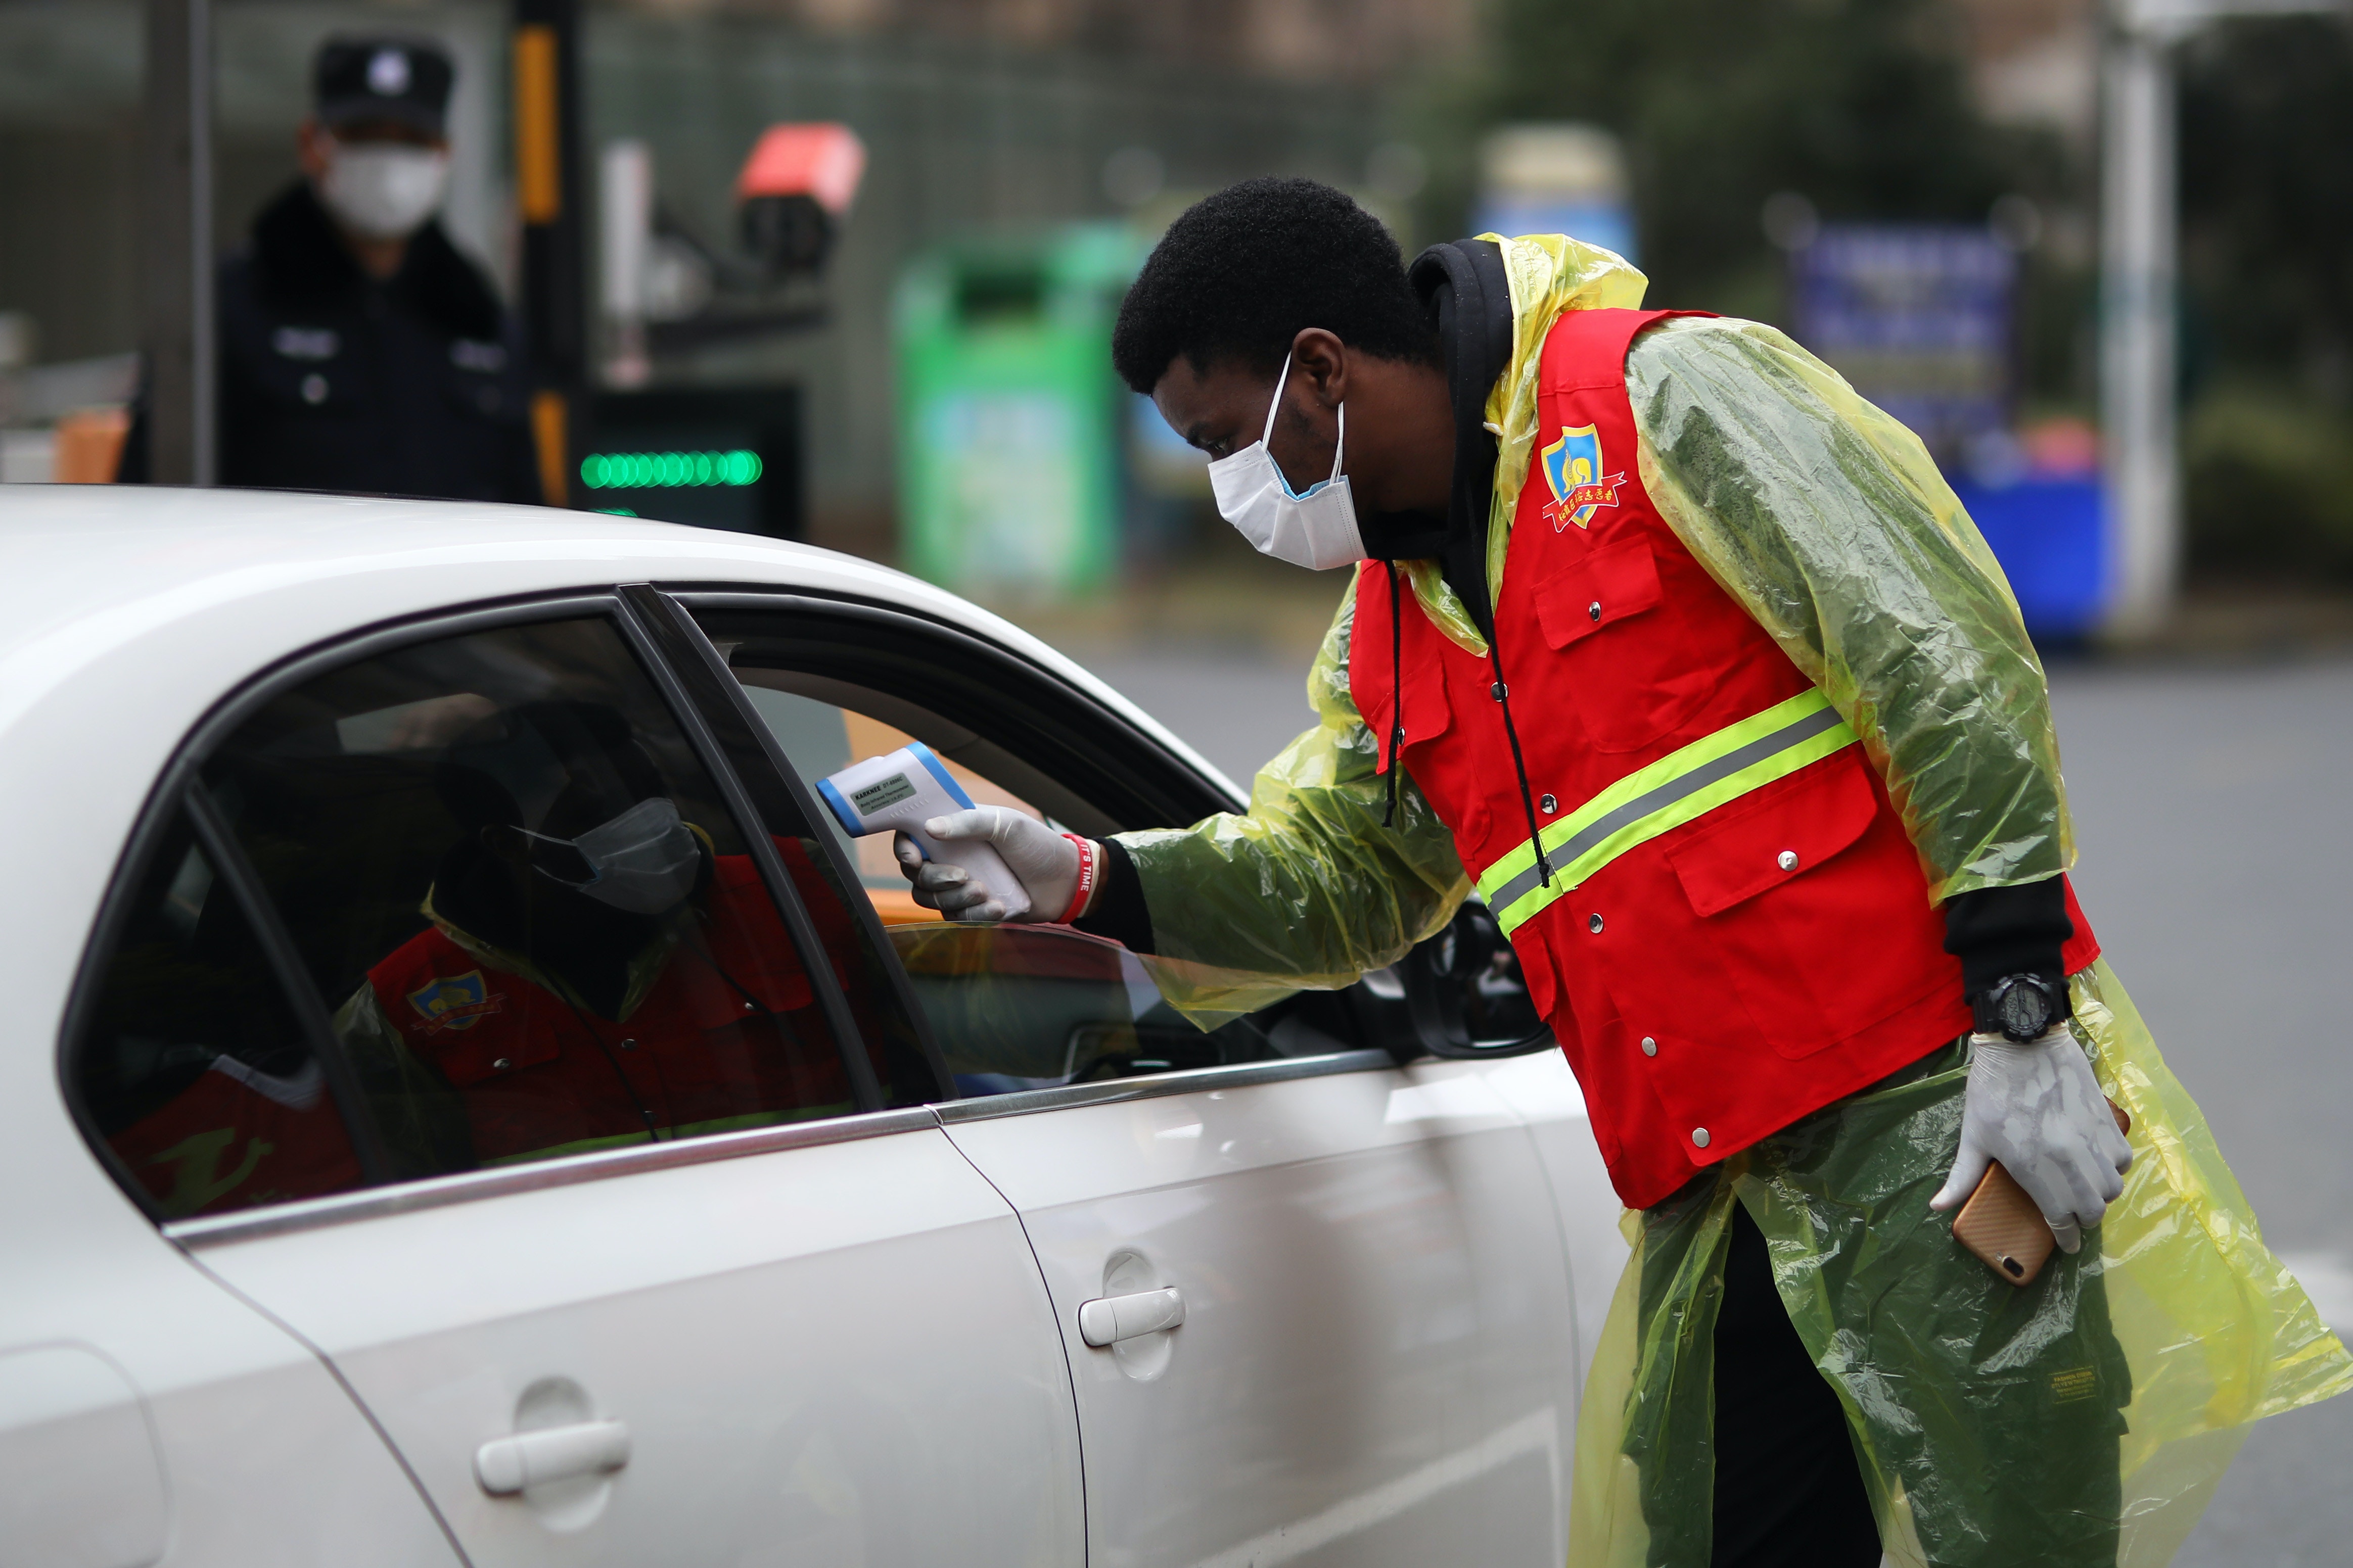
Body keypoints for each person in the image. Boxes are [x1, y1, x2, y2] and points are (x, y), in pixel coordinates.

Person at [896, 179, 2349, 1566]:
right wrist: (1080, 872)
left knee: (2012, 1526)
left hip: (1924, 1118)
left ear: (1320, 372)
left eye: (1223, 435)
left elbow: (1938, 663)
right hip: (1708, 1193)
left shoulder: (1663, 400)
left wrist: (2021, 1010)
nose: (1229, 487)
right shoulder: (1389, 631)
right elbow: (1335, 878)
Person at [332, 700, 864, 1171]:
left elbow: (944, 1031)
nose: (645, 826)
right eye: (595, 814)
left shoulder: (800, 891)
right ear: (507, 843)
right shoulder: (406, 1005)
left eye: (648, 797)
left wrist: (948, 905)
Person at [121, 34, 539, 501]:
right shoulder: (228, 309)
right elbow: (148, 496)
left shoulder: (477, 319)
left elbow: (530, 507)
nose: (389, 162)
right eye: (365, 135)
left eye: (411, 140)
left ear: (444, 153)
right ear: (312, 144)